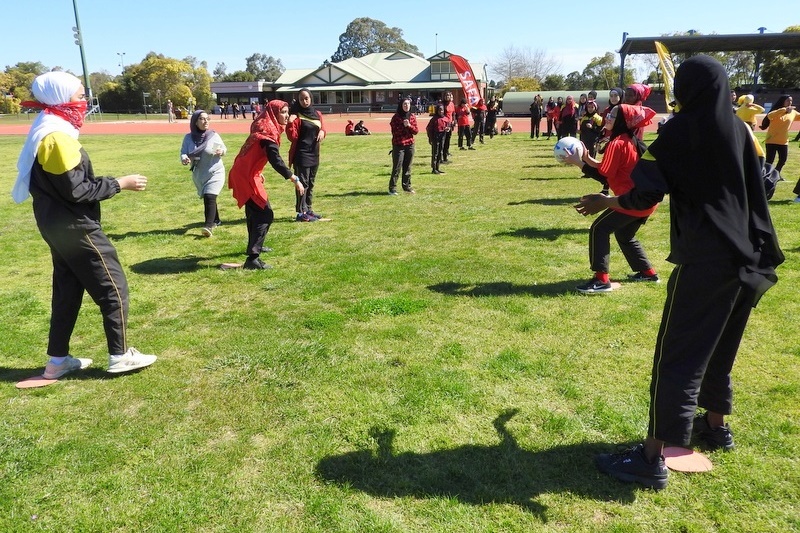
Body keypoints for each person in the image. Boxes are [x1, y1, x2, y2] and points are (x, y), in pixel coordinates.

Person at [575, 55, 783, 490]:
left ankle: (651, 458)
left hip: (707, 259)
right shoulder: (741, 130)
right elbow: (766, 182)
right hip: (753, 257)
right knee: (720, 346)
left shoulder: (682, 131)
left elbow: (642, 194)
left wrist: (604, 203)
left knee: (679, 357)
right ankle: (716, 426)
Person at [12, 71, 158, 377]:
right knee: (113, 287)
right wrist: (120, 183)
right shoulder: (55, 138)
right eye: (79, 96)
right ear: (61, 98)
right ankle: (120, 355)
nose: (84, 102)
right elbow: (77, 190)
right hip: (75, 228)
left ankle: (57, 361)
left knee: (67, 292)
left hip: (56, 227)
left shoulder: (48, 129)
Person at [565, 103, 659, 294]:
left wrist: (578, 163)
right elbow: (608, 168)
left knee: (599, 229)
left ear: (622, 121)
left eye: (612, 116)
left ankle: (601, 280)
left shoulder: (616, 143)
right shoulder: (628, 140)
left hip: (632, 201)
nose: (607, 117)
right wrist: (586, 158)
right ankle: (648, 272)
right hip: (646, 201)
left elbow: (604, 175)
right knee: (624, 235)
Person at [228, 100, 305, 270]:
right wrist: (294, 178)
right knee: (265, 214)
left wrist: (256, 169)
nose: (286, 115)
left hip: (244, 173)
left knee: (255, 213)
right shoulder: (268, 135)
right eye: (283, 112)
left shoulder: (262, 127)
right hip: (246, 177)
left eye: (287, 112)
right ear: (273, 113)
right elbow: (276, 161)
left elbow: (251, 153)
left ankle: (256, 246)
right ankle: (253, 259)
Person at [180, 110, 227, 237]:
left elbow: (224, 149)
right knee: (208, 196)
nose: (205, 121)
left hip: (215, 172)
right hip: (199, 174)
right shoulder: (188, 138)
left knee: (209, 196)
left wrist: (221, 151)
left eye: (207, 118)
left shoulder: (213, 135)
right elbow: (184, 152)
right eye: (202, 119)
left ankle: (208, 226)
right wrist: (184, 158)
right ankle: (216, 220)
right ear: (195, 122)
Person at [286, 88, 326, 222]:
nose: (304, 101)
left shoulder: (317, 114)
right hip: (302, 154)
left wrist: (323, 132)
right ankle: (300, 212)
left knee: (311, 183)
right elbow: (292, 137)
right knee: (302, 184)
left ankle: (308, 209)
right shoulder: (296, 116)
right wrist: (291, 123)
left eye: (306, 98)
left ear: (311, 98)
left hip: (314, 153)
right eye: (302, 99)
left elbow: (322, 127)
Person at [762, 95, 798, 177]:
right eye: (788, 100)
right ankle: (765, 175)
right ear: (783, 101)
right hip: (772, 140)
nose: (790, 102)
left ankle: (775, 174)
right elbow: (770, 116)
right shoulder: (777, 111)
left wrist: (789, 111)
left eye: (791, 101)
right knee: (769, 161)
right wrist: (784, 110)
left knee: (782, 160)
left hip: (783, 141)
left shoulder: (793, 113)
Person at [388, 98, 419, 195]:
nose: (406, 106)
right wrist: (403, 125)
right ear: (401, 105)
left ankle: (407, 186)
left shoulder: (412, 116)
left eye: (408, 104)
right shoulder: (396, 118)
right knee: (397, 167)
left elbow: (416, 131)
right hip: (399, 145)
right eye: (404, 104)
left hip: (409, 144)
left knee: (408, 167)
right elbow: (395, 132)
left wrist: (409, 126)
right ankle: (392, 188)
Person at [426, 104, 450, 174]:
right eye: (439, 110)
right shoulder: (434, 119)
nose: (441, 111)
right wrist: (430, 138)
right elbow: (428, 129)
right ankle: (434, 168)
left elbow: (448, 125)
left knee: (440, 152)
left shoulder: (445, 118)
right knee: (435, 153)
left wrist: (448, 128)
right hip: (435, 136)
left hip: (442, 136)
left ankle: (438, 167)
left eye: (442, 110)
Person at [442, 92, 456, 162]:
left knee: (448, 139)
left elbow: (453, 113)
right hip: (444, 124)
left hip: (450, 124)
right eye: (447, 95)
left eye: (449, 95)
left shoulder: (452, 104)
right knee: (443, 140)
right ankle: (442, 155)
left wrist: (454, 121)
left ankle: (446, 152)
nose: (448, 96)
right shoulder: (442, 104)